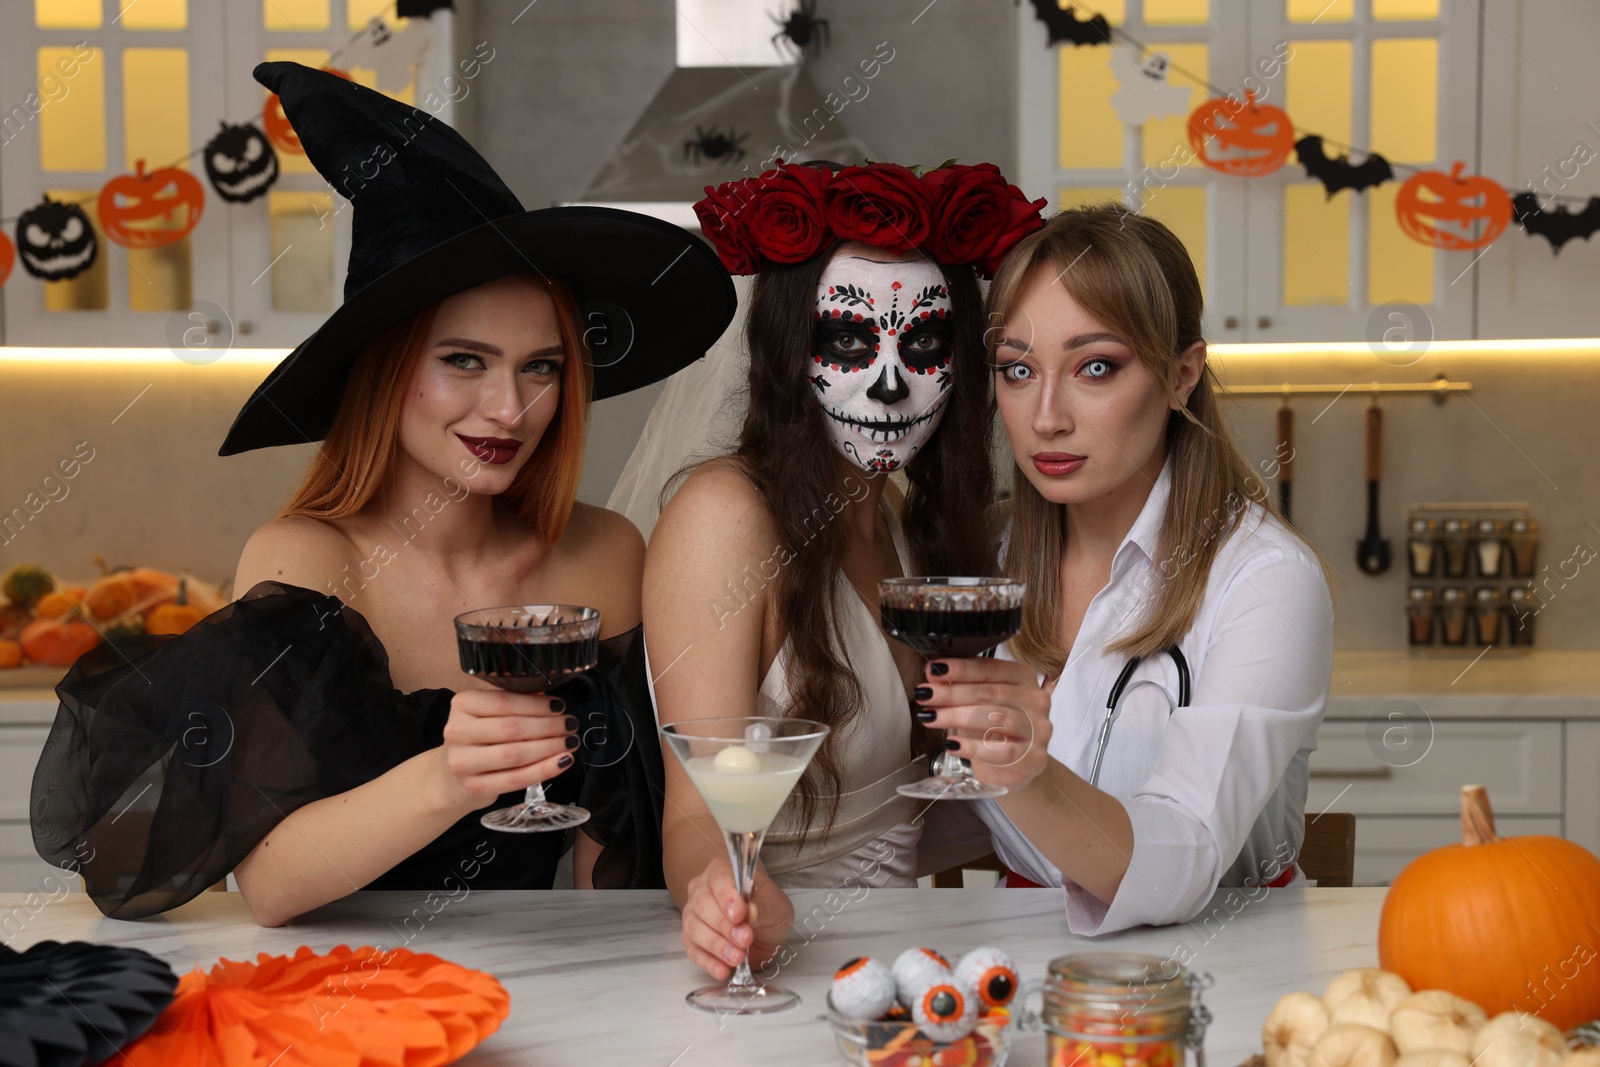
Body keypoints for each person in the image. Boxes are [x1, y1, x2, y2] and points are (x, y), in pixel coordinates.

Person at [29, 61, 734, 923]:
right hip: (344, 991)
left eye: (541, 367)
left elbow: (612, 854)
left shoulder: (604, 554)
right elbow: (275, 886)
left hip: (554, 985)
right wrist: (449, 775)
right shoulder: (306, 560)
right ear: (387, 370)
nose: (510, 408)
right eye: (464, 360)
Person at [644, 159, 1046, 980]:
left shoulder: (903, 522)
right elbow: (693, 816)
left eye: (925, 344)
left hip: (904, 973)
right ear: (792, 350)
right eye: (851, 340)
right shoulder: (724, 517)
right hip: (770, 971)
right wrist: (722, 894)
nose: (891, 384)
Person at [913, 203, 1338, 935]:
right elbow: (938, 819)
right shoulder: (985, 564)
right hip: (1023, 959)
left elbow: (1190, 856)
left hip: (1228, 963)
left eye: (1095, 367)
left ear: (1180, 375)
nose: (1046, 416)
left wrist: (1022, 767)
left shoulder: (1266, 580)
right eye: (1018, 369)